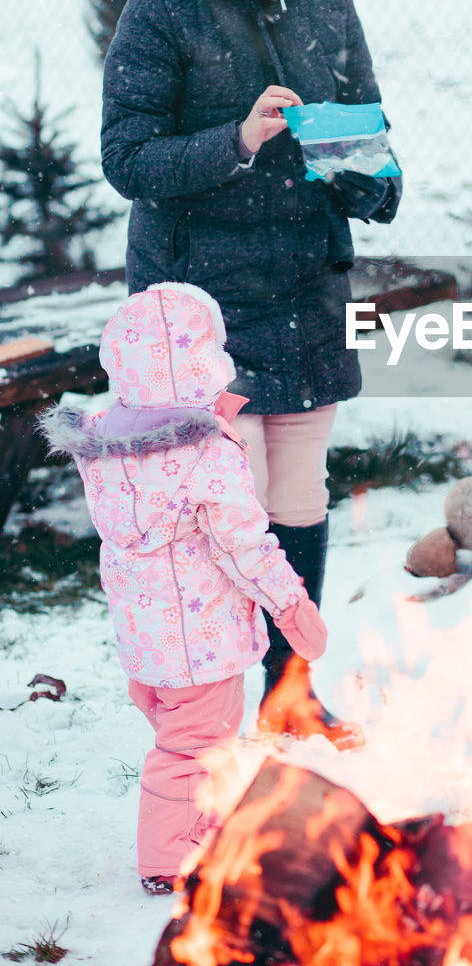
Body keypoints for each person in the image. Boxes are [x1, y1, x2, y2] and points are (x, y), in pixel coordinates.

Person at [100, 0, 400, 743]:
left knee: (298, 499)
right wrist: (239, 139)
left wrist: (357, 169)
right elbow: (129, 159)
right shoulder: (161, 11)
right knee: (224, 511)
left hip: (305, 284)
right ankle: (206, 713)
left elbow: (377, 166)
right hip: (200, 307)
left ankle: (290, 695)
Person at [40, 282, 327, 894]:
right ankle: (171, 859)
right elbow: (243, 545)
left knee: (183, 741)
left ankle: (200, 822)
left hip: (146, 640)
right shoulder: (206, 454)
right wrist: (291, 604)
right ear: (205, 361)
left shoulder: (105, 443)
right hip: (204, 638)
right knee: (192, 749)